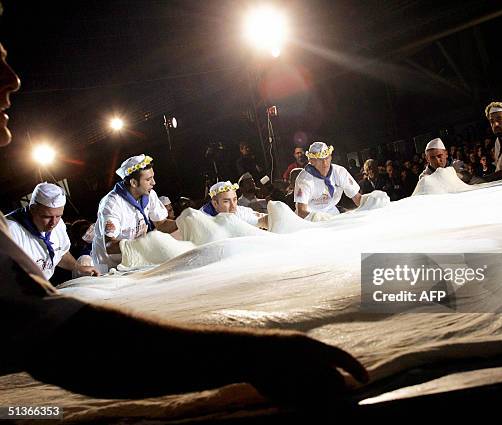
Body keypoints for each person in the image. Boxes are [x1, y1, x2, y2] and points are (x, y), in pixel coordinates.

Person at [0, 40, 367, 403]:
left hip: (131, 269)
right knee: (35, 412)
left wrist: (192, 235)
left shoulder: (144, 200)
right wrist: (253, 355)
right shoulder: (109, 208)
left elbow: (162, 227)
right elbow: (64, 337)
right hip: (119, 269)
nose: (12, 80)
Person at [91, 154, 178, 272]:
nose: (154, 183)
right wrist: (144, 244)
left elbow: (161, 224)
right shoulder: (112, 204)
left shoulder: (150, 194)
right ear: (133, 183)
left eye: (152, 177)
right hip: (109, 264)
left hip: (134, 258)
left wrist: (182, 221)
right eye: (148, 179)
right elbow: (110, 246)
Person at [6, 182, 100, 280]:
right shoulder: (10, 231)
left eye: (58, 216)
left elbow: (60, 254)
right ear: (33, 209)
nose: (53, 223)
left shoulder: (58, 224)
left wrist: (78, 268)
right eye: (47, 217)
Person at [294, 141, 361, 218]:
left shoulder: (340, 172)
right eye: (320, 159)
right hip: (309, 217)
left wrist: (372, 203)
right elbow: (301, 212)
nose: (325, 163)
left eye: (327, 158)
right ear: (311, 161)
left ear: (331, 157)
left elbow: (357, 198)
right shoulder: (304, 179)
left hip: (332, 213)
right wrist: (319, 219)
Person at [200, 181, 268, 228]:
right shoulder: (201, 220)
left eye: (234, 199)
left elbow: (262, 219)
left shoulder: (239, 211)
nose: (233, 207)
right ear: (215, 203)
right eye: (226, 201)